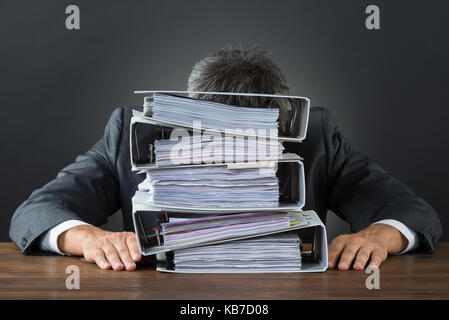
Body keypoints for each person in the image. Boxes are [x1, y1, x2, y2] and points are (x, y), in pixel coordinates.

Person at [9, 46, 442, 271]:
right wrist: (89, 240)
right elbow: (36, 213)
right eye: (213, 135)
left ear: (279, 120)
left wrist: (380, 237)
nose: (229, 154)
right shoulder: (132, 139)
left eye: (248, 136)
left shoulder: (316, 140)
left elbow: (411, 212)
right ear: (191, 115)